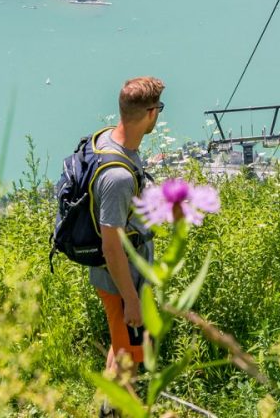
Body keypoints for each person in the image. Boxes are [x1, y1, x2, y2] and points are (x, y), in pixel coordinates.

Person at [90, 77, 163, 376]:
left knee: (122, 351)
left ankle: (108, 409)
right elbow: (110, 245)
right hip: (122, 283)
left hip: (124, 280)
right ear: (150, 113)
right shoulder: (118, 178)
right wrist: (131, 300)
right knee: (129, 365)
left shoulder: (109, 139)